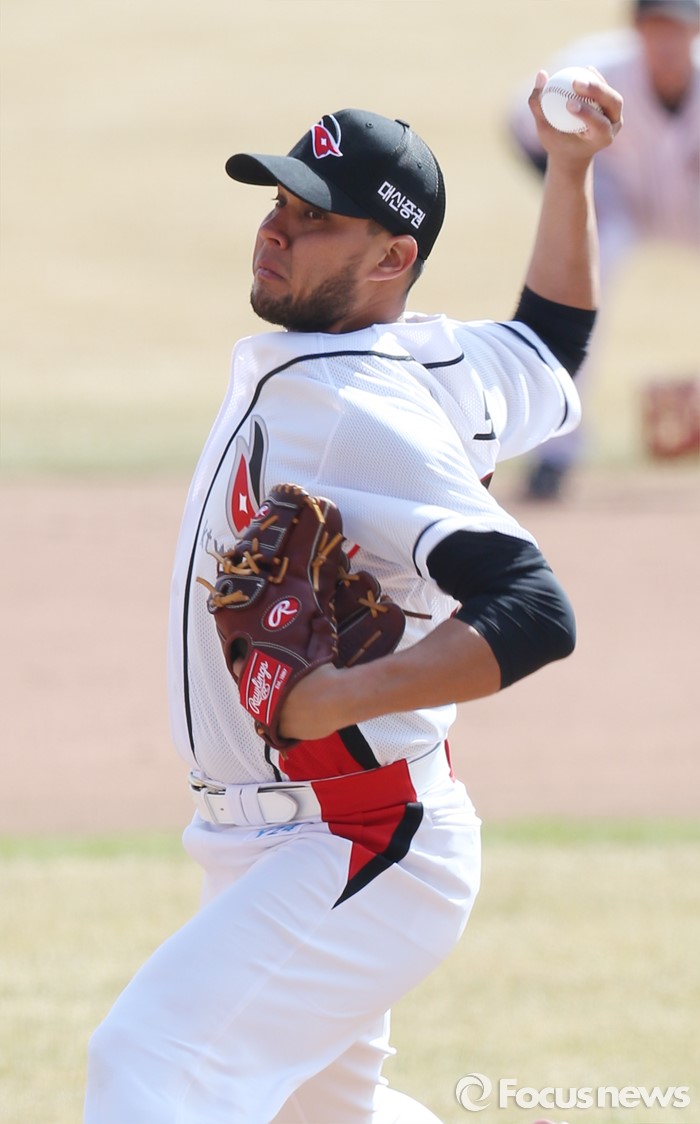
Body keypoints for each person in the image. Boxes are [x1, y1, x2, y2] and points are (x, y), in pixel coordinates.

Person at [84, 70, 622, 1124]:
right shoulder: (427, 360)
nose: (275, 230)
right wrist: (569, 173)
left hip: (358, 834)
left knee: (148, 1065)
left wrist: (333, 696)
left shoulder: (356, 409)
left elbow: (531, 607)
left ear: (392, 258)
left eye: (315, 218)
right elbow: (550, 345)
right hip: (277, 840)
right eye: (279, 201)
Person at [510, 0, 699, 499]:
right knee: (586, 274)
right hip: (618, 204)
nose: (667, 41)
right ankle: (555, 452)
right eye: (657, 26)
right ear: (637, 27)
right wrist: (573, 188)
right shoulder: (592, 73)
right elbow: (520, 124)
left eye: (679, 28)